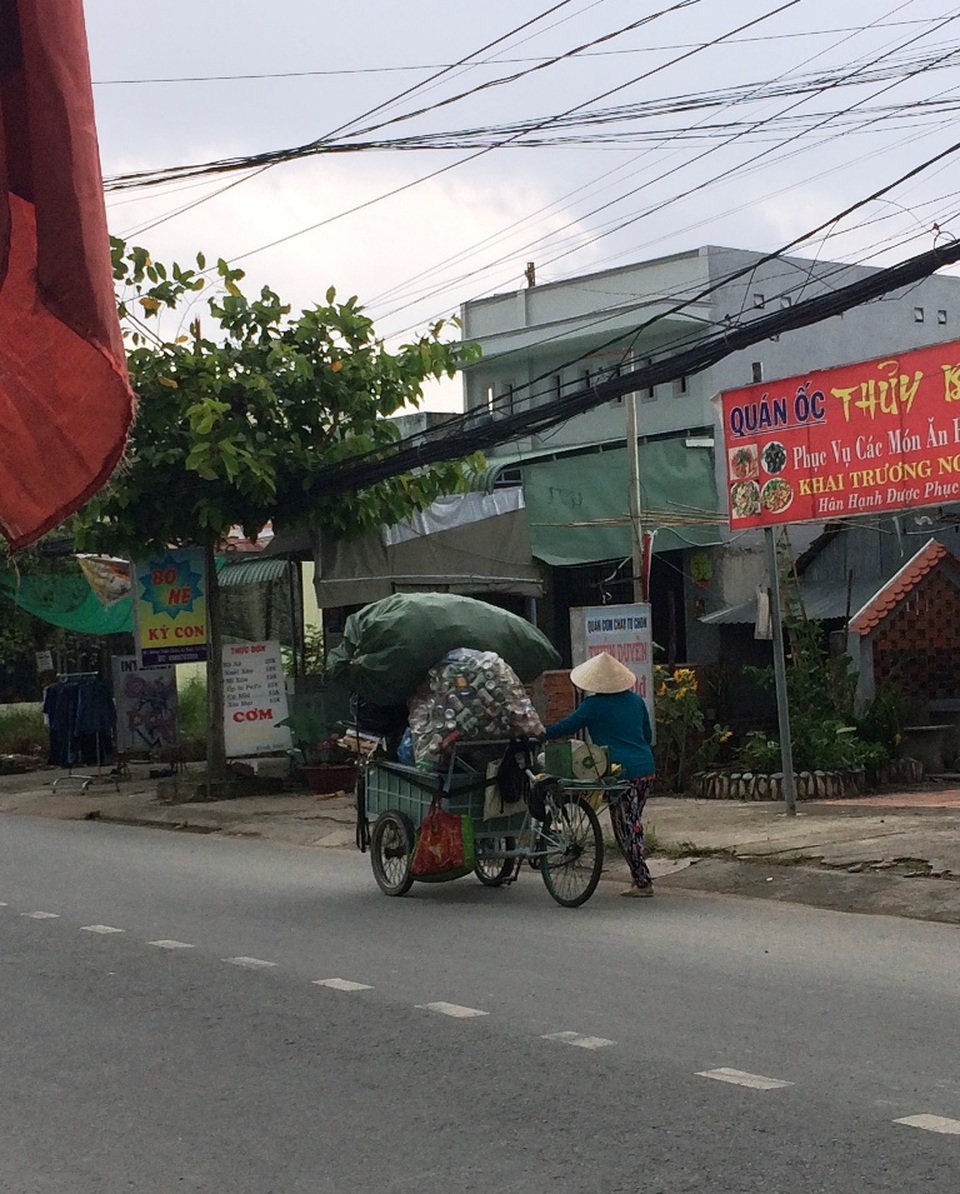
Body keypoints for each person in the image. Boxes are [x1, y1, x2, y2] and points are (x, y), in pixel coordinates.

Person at [544, 652, 656, 898]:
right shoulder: (636, 701)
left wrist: (540, 733)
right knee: (629, 822)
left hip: (620, 773)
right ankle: (638, 877)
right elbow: (647, 735)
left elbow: (566, 727)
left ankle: (643, 881)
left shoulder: (593, 706)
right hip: (646, 769)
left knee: (627, 826)